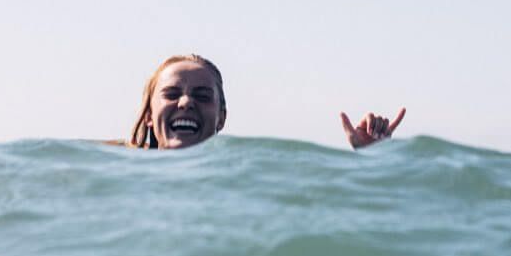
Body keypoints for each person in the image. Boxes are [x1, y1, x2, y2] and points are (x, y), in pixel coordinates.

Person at [126, 54, 404, 150]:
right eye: (172, 94)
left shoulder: (243, 177)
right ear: (149, 113)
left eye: (202, 96)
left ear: (222, 118)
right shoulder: (121, 173)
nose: (186, 103)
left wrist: (373, 160)